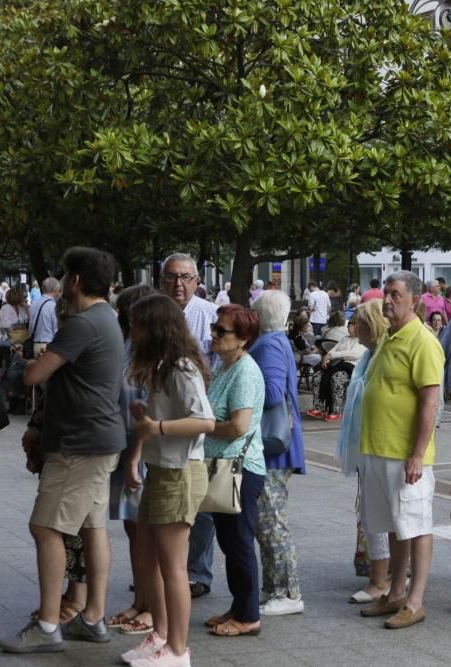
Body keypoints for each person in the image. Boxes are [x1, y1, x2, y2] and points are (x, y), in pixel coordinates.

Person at [0, 247, 124, 654]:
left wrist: (28, 359)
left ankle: (49, 625)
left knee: (46, 528)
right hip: (99, 440)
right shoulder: (108, 319)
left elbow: (35, 375)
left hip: (78, 444)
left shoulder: (83, 323)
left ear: (74, 280)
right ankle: (92, 618)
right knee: (91, 528)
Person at [120, 293, 215, 667]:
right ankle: (161, 636)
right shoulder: (163, 366)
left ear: (155, 328)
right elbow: (156, 423)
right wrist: (139, 454)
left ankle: (177, 648)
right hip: (162, 470)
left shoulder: (181, 368)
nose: (132, 331)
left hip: (179, 472)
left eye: (137, 324)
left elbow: (205, 421)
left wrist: (155, 427)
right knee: (147, 558)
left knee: (172, 566)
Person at [359, 271, 444, 629]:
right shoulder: (388, 337)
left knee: (416, 525)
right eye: (386, 294)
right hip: (379, 449)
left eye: (395, 294)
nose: (387, 301)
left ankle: (415, 600)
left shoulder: (422, 341)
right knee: (396, 526)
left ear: (414, 300)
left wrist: (416, 453)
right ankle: (395, 593)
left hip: (405, 454)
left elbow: (429, 402)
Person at [202, 304, 267, 637]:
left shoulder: (244, 370)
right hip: (222, 466)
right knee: (229, 542)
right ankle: (240, 605)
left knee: (239, 542)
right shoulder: (225, 365)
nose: (213, 334)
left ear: (243, 338)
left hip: (240, 468)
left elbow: (239, 425)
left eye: (221, 331)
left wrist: (202, 425)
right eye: (214, 327)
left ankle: (249, 615)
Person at [161, 254, 219, 600]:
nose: (178, 284)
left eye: (185, 277)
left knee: (199, 505)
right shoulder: (152, 314)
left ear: (197, 281)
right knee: (165, 501)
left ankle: (196, 572)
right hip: (161, 418)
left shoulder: (209, 315)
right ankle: (164, 571)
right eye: (171, 277)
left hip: (199, 418)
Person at [249, 291, 308, 617]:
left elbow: (272, 393)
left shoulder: (269, 344)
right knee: (267, 520)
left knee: (271, 522)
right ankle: (275, 589)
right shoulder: (276, 341)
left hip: (273, 444)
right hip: (276, 444)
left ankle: (287, 591)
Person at [106, 285, 157, 638]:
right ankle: (140, 600)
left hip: (140, 451)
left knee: (146, 533)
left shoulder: (152, 356)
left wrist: (135, 459)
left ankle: (153, 607)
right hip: (123, 446)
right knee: (131, 528)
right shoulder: (128, 347)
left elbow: (150, 412)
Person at [335, 300, 392, 603]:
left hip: (384, 444)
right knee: (371, 515)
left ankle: (381, 579)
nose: (355, 328)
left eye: (361, 322)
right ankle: (378, 577)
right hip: (368, 444)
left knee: (380, 517)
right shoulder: (369, 355)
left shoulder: (383, 353)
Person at [308, 315, 367, 421]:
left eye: (350, 325)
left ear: (356, 327)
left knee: (337, 377)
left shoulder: (362, 339)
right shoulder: (345, 339)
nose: (348, 328)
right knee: (318, 376)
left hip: (352, 367)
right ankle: (318, 408)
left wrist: (333, 355)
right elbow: (333, 350)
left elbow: (354, 354)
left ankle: (336, 410)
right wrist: (327, 359)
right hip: (339, 364)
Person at [0, 287, 29, 366]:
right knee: (18, 347)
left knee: (25, 345)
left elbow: (27, 319)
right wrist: (19, 326)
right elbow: (6, 326)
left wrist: (26, 307)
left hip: (15, 337)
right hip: (1, 338)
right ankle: (13, 366)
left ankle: (17, 365)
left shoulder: (21, 308)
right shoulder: (6, 308)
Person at [28, 278, 61, 358]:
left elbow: (30, 327)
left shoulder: (33, 304)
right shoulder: (53, 306)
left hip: (35, 345)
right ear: (56, 291)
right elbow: (56, 330)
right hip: (48, 347)